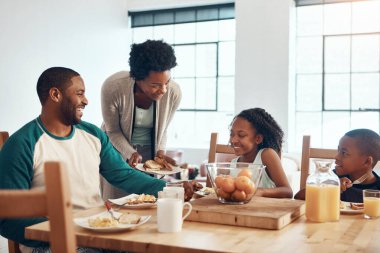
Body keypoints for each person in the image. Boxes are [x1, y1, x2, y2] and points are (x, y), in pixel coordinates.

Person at [0, 67, 192, 253]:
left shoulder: (93, 134)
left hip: (98, 232)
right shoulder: (22, 144)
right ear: (55, 95)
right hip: (49, 243)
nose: (86, 100)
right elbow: (6, 219)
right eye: (80, 93)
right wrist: (65, 230)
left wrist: (172, 190)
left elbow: (124, 175)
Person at [100, 40, 181, 200]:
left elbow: (163, 129)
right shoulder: (113, 87)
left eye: (167, 82)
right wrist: (131, 153)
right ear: (137, 78)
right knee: (119, 203)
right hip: (117, 150)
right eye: (156, 85)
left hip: (149, 155)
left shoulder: (174, 93)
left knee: (150, 200)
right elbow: (112, 130)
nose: (163, 90)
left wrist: (160, 153)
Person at [294, 129, 380, 202]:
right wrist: (330, 187)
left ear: (367, 162)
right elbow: (298, 198)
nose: (336, 157)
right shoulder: (334, 178)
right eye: (338, 151)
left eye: (344, 153)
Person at [229, 108, 293, 198]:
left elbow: (288, 191)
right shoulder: (233, 163)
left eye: (241, 135)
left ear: (258, 139)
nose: (233, 140)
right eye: (231, 134)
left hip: (266, 210)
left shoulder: (267, 155)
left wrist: (261, 191)